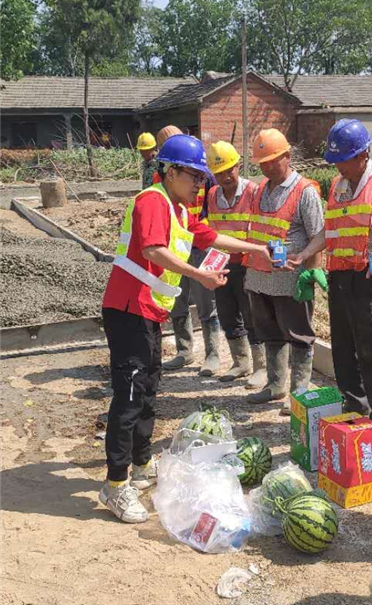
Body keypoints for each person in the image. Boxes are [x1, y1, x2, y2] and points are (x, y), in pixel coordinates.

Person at [99, 134, 272, 523]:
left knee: (147, 390)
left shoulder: (179, 209)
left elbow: (210, 237)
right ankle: (114, 484)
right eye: (195, 176)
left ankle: (141, 465)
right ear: (170, 171)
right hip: (128, 310)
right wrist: (199, 275)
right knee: (129, 396)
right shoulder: (151, 201)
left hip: (148, 312)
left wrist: (254, 248)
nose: (200, 185)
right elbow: (152, 250)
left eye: (202, 178)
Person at [288, 119, 372, 431]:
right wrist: (305, 254)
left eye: (343, 160)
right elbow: (330, 229)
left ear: (363, 154)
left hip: (368, 277)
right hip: (339, 276)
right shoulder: (339, 185)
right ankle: (354, 405)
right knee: (342, 347)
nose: (338, 167)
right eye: (335, 161)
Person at [244, 129, 325, 410]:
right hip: (259, 278)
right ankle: (275, 385)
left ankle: (298, 393)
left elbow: (318, 235)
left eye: (272, 161)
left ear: (287, 157)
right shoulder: (259, 190)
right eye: (262, 163)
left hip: (291, 280)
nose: (267, 167)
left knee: (299, 334)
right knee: (269, 331)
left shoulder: (304, 192)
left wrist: (309, 270)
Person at [156, 126, 223, 376]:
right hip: (175, 245)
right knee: (178, 299)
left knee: (206, 301)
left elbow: (214, 203)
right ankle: (184, 351)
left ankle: (213, 354)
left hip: (199, 243)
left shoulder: (202, 174)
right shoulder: (160, 179)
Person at [205, 140, 266, 383]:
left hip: (248, 263)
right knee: (227, 313)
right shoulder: (212, 194)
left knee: (252, 314)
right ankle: (240, 363)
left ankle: (261, 366)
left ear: (237, 166)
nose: (225, 177)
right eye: (219, 173)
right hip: (222, 263)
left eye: (229, 170)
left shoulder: (253, 191)